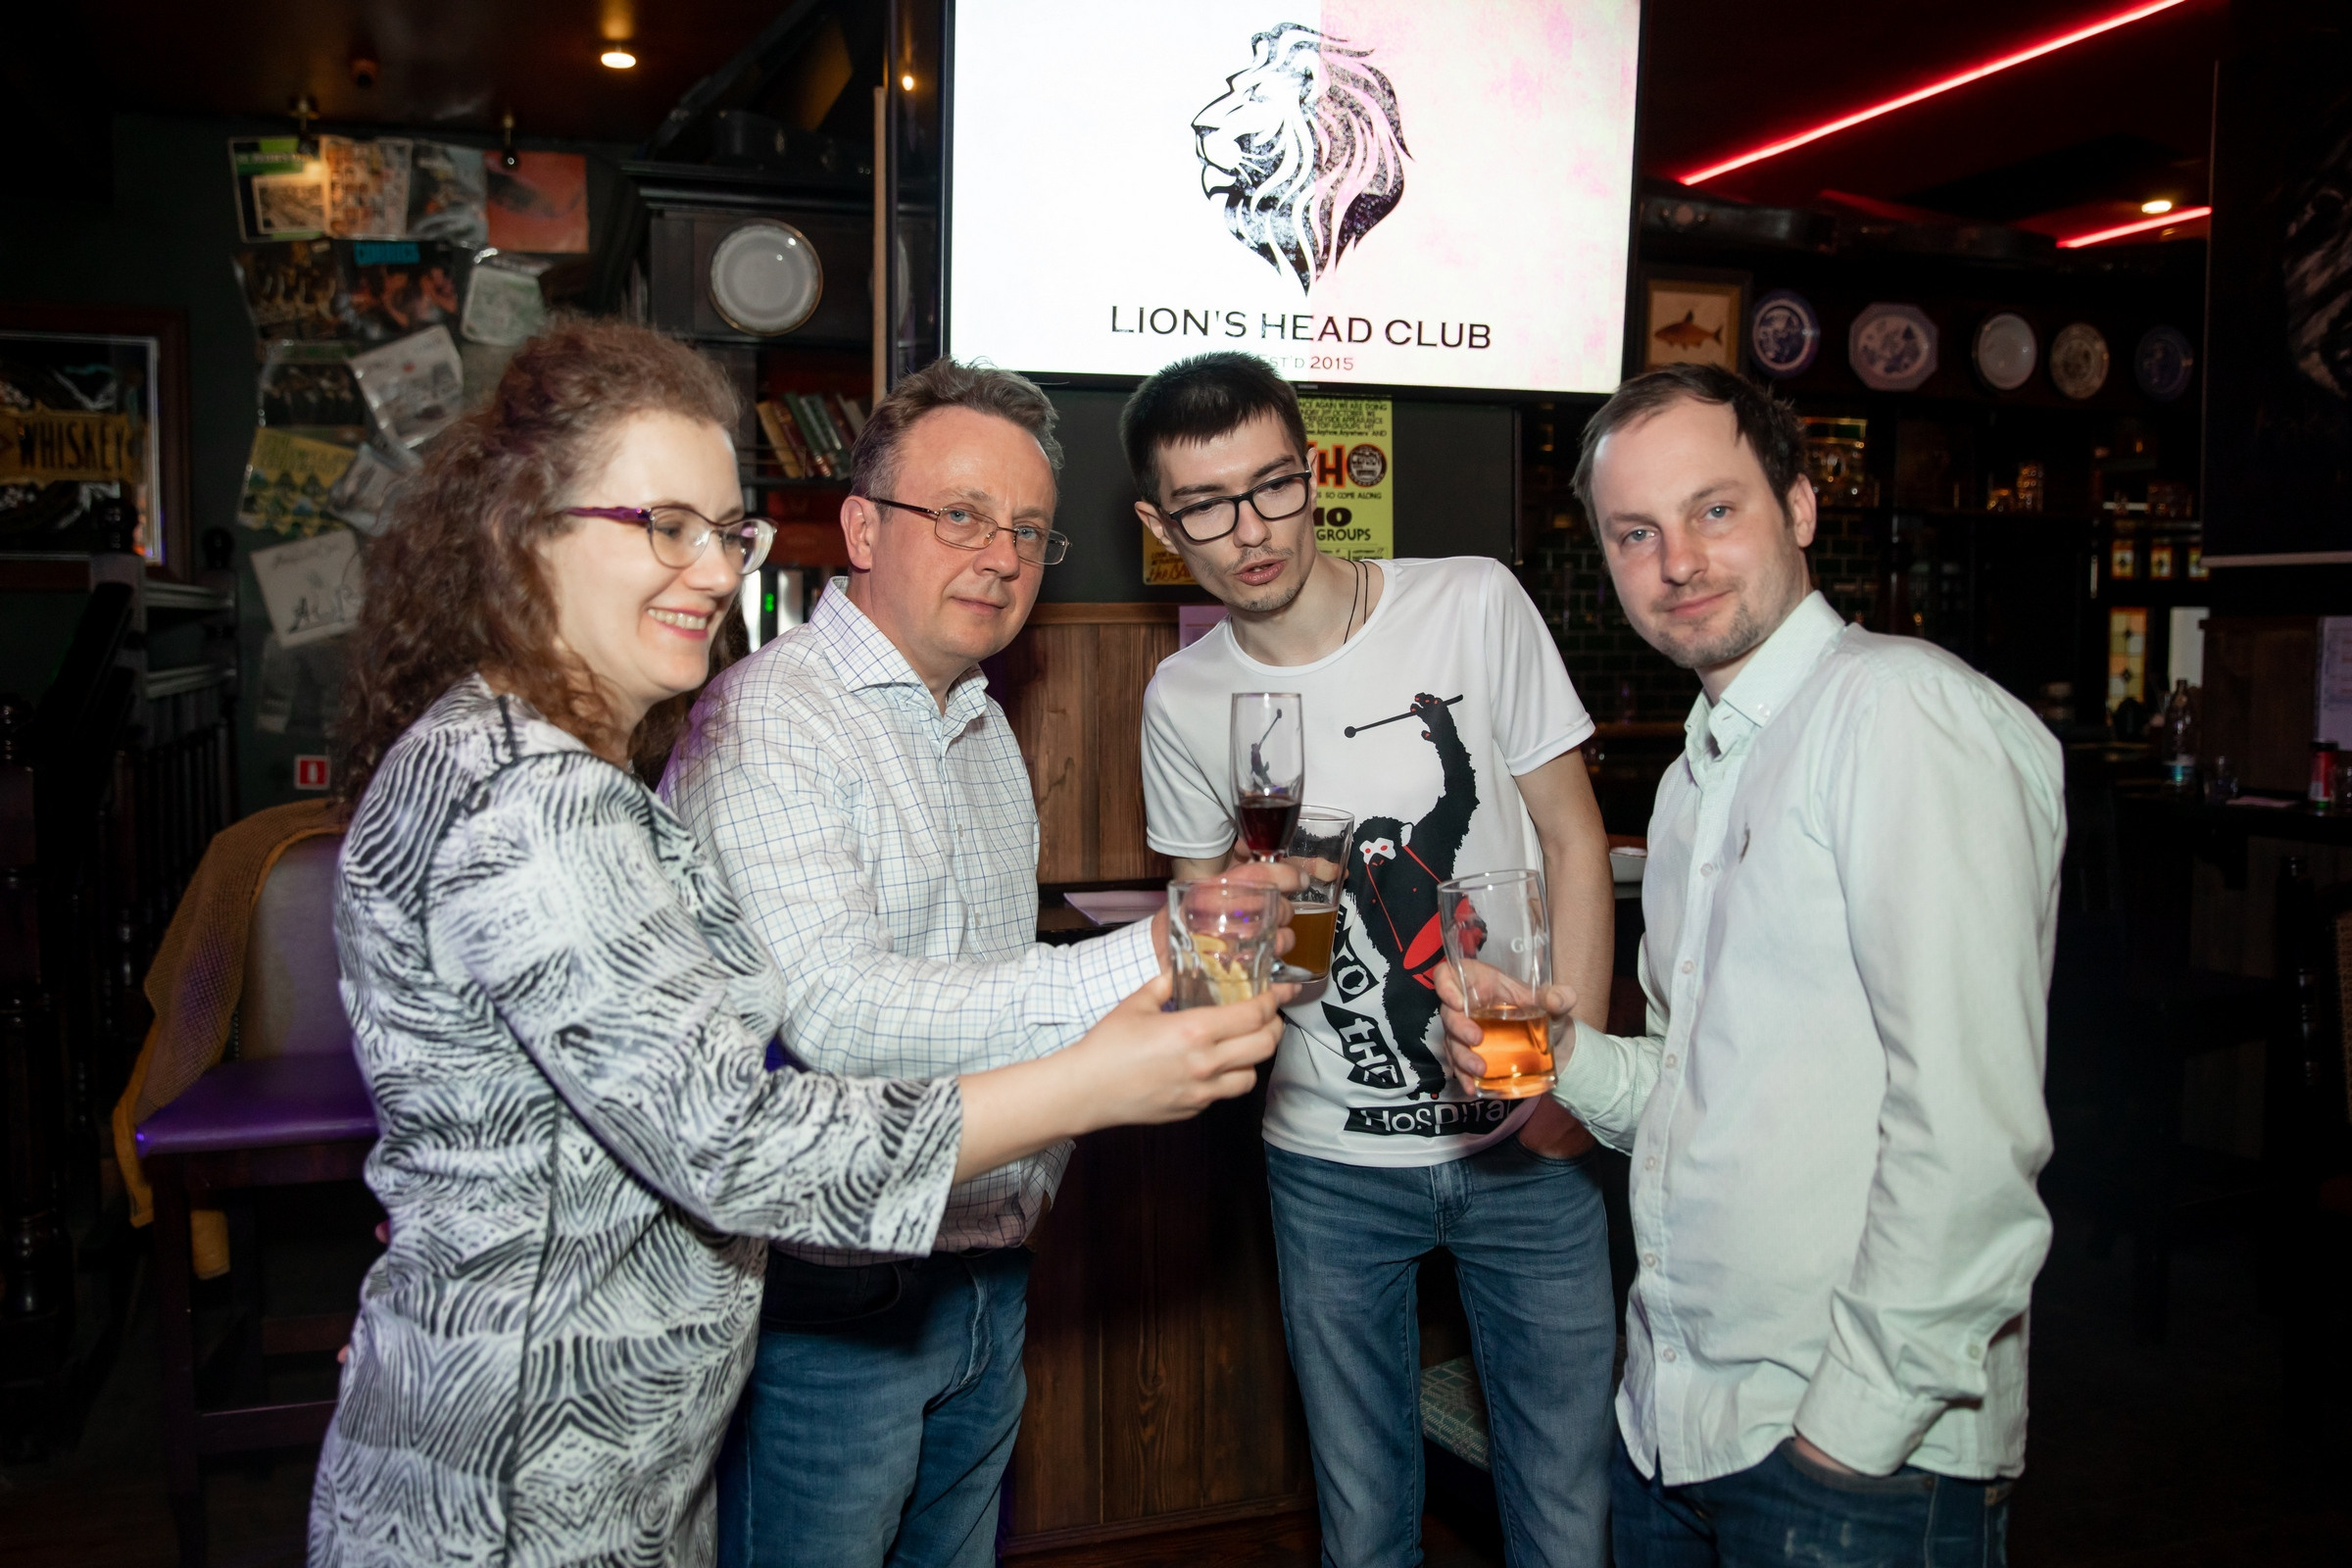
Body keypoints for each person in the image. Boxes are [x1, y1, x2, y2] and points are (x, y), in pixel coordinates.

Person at [311, 319, 1286, 1568]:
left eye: (728, 531)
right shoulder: (532, 791)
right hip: (529, 1483)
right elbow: (742, 1125)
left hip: (596, 1444)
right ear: (520, 524)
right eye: (665, 525)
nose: (713, 571)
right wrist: (1100, 1067)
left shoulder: (532, 759)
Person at [661, 357, 1298, 1568]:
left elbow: (990, 992)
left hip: (986, 1280)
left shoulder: (978, 721)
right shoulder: (765, 719)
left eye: (1029, 531)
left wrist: (1037, 1179)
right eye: (960, 515)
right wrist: (1156, 950)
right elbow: (836, 1010)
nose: (1001, 555)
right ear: (861, 527)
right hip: (826, 1307)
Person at [1435, 362, 2063, 1568]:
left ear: (1801, 508)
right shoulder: (1690, 783)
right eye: (1637, 532)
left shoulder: (1900, 715)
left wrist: (1850, 1432)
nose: (1678, 560)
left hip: (1847, 1451)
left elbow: (1974, 1133)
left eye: (1715, 510)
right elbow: (1698, 1078)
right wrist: (1568, 1060)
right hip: (1681, 1428)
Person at [1124, 352, 1620, 1568]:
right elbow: (1221, 978)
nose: (1251, 531)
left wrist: (1582, 1085)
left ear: (1316, 473)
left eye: (1275, 485)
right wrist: (1269, 912)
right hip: (1328, 1161)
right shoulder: (1182, 698)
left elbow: (1571, 834)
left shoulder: (1472, 602)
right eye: (1206, 506)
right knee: (1364, 1524)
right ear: (1158, 525)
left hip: (1523, 1131)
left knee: (1566, 1513)